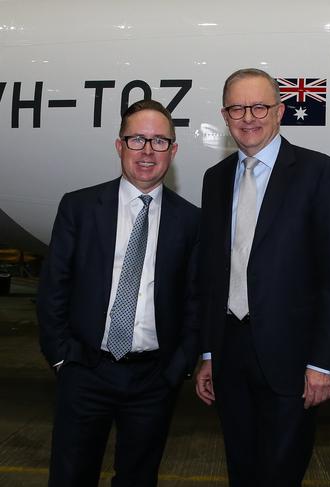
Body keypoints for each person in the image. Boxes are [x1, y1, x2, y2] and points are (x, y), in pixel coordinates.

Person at [195, 68, 330, 487]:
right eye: (237, 108)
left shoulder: (319, 174)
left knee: (281, 475)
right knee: (241, 471)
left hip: (293, 362)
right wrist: (209, 353)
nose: (248, 117)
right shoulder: (214, 181)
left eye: (259, 107)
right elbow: (211, 275)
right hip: (229, 354)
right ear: (225, 115)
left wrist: (323, 362)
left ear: (280, 111)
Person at [37, 99, 200, 487]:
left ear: (173, 151)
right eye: (137, 139)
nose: (147, 151)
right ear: (119, 145)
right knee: (71, 476)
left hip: (154, 380)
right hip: (85, 371)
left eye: (160, 141)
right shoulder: (78, 207)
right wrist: (62, 358)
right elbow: (54, 288)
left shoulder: (192, 220)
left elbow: (197, 300)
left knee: (139, 478)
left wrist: (178, 368)